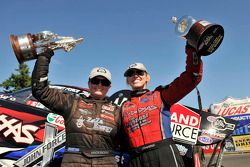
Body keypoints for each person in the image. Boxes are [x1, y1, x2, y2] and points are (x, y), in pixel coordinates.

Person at [32, 49, 122, 167]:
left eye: (104, 82)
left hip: (106, 162)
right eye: (95, 81)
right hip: (74, 161)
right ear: (89, 83)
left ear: (109, 86)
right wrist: (44, 57)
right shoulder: (72, 102)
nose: (99, 85)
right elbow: (40, 90)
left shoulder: (117, 111)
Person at [121, 44, 203, 167]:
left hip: (164, 152)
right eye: (131, 73)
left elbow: (191, 78)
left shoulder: (161, 95)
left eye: (140, 72)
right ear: (127, 80)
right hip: (136, 157)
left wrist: (192, 48)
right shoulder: (123, 107)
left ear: (147, 77)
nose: (135, 75)